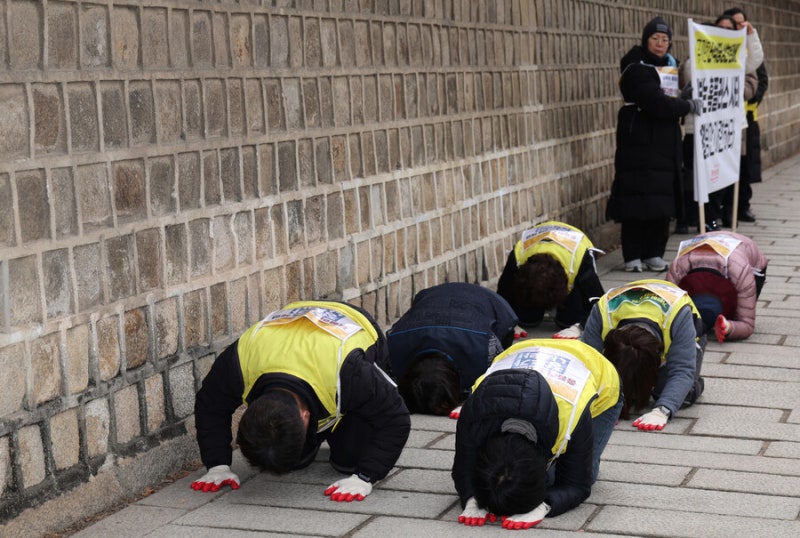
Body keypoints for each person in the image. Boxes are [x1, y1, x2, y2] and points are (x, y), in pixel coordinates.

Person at [191, 300, 411, 501]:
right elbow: (210, 405)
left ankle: (340, 428)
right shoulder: (241, 363)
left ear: (305, 416)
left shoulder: (351, 372)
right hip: (294, 325)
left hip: (352, 325)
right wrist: (217, 465)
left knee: (349, 460)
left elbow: (396, 418)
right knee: (284, 457)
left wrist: (365, 477)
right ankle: (319, 435)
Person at [452, 339, 621, 529]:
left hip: (598, 374)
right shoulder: (474, 415)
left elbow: (577, 485)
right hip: (525, 350)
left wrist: (544, 505)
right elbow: (463, 468)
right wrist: (472, 498)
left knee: (572, 474)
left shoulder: (571, 417)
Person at [607, 16, 702, 273]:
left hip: (665, 143)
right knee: (637, 200)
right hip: (639, 143)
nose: (660, 43)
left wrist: (680, 97)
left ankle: (654, 253)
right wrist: (686, 105)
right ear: (645, 40)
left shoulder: (669, 66)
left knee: (662, 200)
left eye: (665, 39)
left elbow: (666, 99)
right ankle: (632, 255)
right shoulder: (635, 67)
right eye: (655, 38)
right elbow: (655, 102)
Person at [582, 279, 706, 432]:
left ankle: (692, 384)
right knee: (623, 389)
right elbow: (586, 365)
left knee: (673, 392)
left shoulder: (679, 315)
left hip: (690, 336)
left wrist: (663, 410)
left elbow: (682, 370)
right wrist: (598, 406)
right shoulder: (602, 311)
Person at [676, 17, 760, 232]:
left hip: (724, 128)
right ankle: (700, 218)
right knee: (698, 177)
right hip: (698, 128)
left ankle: (714, 217)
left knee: (720, 175)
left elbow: (754, 62)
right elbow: (690, 76)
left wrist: (750, 35)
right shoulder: (693, 61)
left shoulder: (731, 59)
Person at [387, 282, 518, 416]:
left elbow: (499, 373)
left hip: (492, 301)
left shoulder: (484, 348)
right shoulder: (395, 346)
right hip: (430, 297)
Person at [496, 221, 605, 338]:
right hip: (540, 241)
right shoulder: (518, 256)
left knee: (568, 320)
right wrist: (509, 322)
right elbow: (502, 294)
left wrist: (580, 326)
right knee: (527, 319)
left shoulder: (581, 259)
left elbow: (599, 301)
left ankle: (566, 314)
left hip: (575, 247)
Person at [666, 231, 768, 342]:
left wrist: (728, 327)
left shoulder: (740, 273)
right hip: (705, 242)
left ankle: (718, 318)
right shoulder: (678, 267)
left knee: (741, 311)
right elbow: (666, 308)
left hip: (745, 251)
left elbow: (747, 324)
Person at [724, 7, 768, 223]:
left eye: (742, 23)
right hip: (723, 117)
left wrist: (749, 99)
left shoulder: (749, 51)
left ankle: (743, 205)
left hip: (746, 116)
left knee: (745, 164)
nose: (738, 27)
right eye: (735, 23)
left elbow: (761, 79)